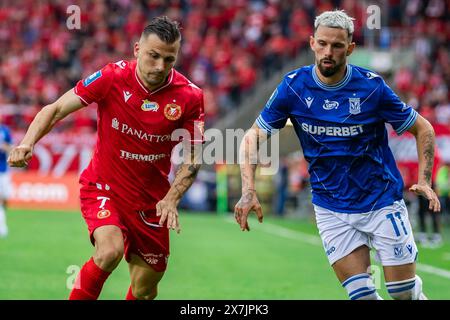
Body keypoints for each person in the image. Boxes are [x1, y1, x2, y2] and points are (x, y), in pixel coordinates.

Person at [234, 10, 440, 300]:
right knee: (363, 296)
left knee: (401, 293)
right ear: (312, 43)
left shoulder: (372, 88)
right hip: (331, 208)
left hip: (380, 201)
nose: (328, 52)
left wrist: (425, 180)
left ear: (351, 48)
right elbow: (252, 137)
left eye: (337, 45)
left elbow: (424, 128)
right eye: (322, 43)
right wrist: (248, 189)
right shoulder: (293, 86)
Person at [8, 16, 204, 300]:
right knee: (108, 251)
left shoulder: (190, 96)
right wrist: (28, 142)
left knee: (145, 290)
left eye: (169, 59)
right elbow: (56, 109)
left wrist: (172, 198)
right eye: (153, 56)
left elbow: (195, 157)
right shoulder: (112, 77)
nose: (160, 66)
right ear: (137, 49)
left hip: (152, 200)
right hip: (104, 187)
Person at [0, 119, 12, 238]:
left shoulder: (4, 130)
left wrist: (5, 147)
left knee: (5, 199)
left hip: (3, 170)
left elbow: (11, 147)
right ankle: (2, 228)